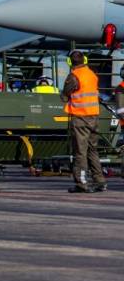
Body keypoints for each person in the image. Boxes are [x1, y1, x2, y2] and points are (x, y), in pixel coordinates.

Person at [61, 50, 106, 193]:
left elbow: (65, 95)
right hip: (93, 116)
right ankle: (100, 181)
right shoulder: (92, 74)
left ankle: (82, 183)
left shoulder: (74, 76)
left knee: (80, 151)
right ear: (84, 60)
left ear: (70, 62)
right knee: (92, 150)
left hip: (80, 117)